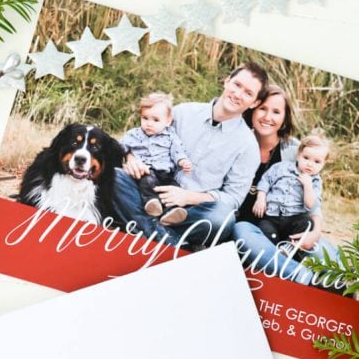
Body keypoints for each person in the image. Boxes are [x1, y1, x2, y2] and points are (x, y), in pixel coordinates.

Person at [113, 61, 269, 248]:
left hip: (191, 211)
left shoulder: (247, 146)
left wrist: (188, 197)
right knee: (114, 177)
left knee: (222, 219)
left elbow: (233, 198)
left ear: (255, 103)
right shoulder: (183, 112)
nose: (238, 94)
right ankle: (173, 244)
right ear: (227, 81)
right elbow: (142, 134)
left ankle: (143, 227)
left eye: (248, 93)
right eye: (237, 85)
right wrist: (131, 158)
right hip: (150, 187)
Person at [233, 86, 338, 284]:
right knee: (242, 234)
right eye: (263, 108)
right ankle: (297, 273)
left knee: (328, 261)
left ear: (284, 118)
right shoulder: (237, 141)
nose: (267, 117)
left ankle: (338, 286)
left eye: (276, 112)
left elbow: (314, 203)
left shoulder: (295, 151)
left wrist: (315, 232)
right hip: (254, 228)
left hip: (293, 227)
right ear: (253, 108)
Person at [119, 92, 192, 220]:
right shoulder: (134, 135)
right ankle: (152, 203)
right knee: (147, 181)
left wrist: (183, 161)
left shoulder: (170, 136)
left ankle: (172, 211)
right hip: (145, 171)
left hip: (166, 173)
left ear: (168, 121)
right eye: (145, 118)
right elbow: (121, 147)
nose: (149, 123)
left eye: (156, 120)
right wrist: (126, 154)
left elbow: (177, 151)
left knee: (173, 187)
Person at [253, 131, 330, 246]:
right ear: (298, 154)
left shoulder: (315, 181)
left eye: (317, 162)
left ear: (324, 164)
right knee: (264, 228)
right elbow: (265, 181)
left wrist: (307, 186)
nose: (310, 164)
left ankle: (288, 248)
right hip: (272, 217)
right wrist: (261, 198)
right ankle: (270, 247)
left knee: (307, 223)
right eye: (306, 158)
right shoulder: (281, 168)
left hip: (294, 219)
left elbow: (311, 206)